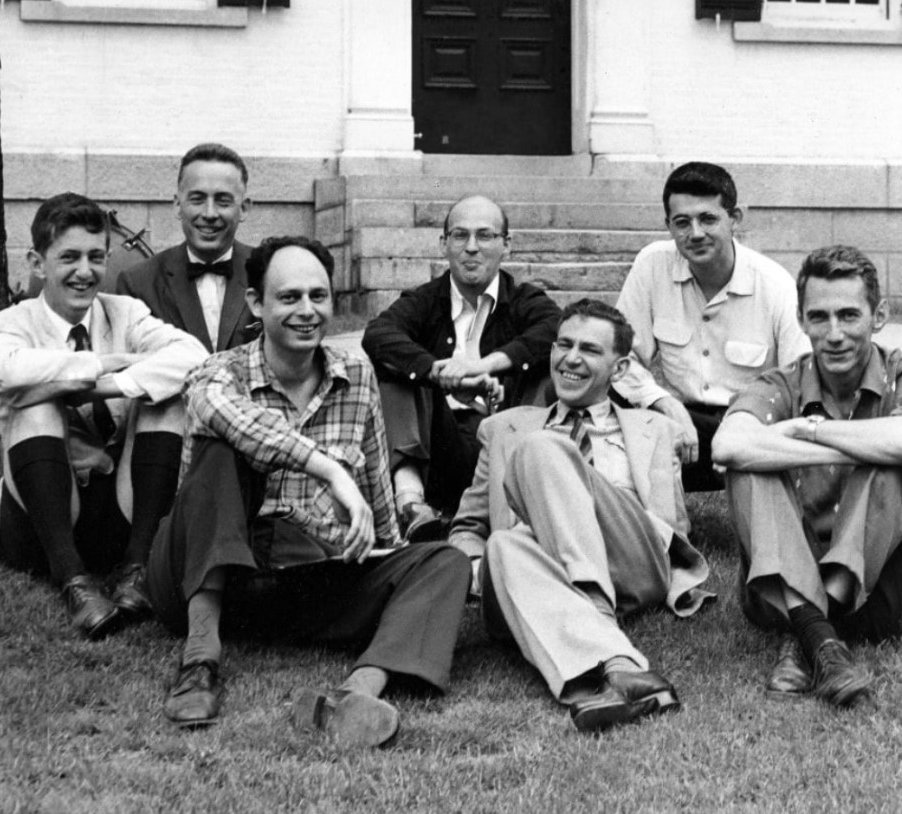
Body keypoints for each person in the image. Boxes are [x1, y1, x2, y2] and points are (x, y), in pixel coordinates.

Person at [147, 235, 471, 745]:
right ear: (256, 303)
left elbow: (374, 488)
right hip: (204, 573)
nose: (307, 311)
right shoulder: (218, 373)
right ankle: (199, 662)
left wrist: (396, 561)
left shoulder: (356, 375)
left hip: (302, 579)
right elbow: (220, 413)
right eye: (289, 297)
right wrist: (329, 470)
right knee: (220, 450)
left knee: (444, 560)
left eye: (318, 296)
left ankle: (353, 695)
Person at [449, 299, 714, 732]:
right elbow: (467, 527)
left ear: (620, 368)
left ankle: (595, 613)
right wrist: (480, 570)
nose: (570, 358)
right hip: (536, 570)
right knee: (503, 543)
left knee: (543, 449)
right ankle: (618, 668)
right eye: (563, 345)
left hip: (629, 560)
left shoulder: (655, 430)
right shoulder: (503, 428)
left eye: (589, 349)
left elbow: (671, 527)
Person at [711, 245, 902, 708]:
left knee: (890, 459)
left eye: (849, 315)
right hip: (784, 583)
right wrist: (857, 443)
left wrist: (808, 430)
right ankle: (821, 638)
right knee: (747, 467)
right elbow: (727, 446)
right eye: (819, 317)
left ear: (879, 316)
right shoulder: (781, 383)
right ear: (801, 320)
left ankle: (806, 629)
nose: (834, 334)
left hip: (893, 596)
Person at [0, 192, 208, 638]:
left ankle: (137, 568)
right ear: (37, 263)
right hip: (39, 521)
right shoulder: (8, 324)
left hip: (117, 511)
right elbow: (8, 368)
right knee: (37, 406)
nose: (84, 272)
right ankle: (73, 581)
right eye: (69, 257)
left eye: (95, 257)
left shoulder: (125, 312)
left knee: (165, 400)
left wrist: (113, 385)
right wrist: (100, 364)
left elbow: (194, 357)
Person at [362, 194, 561, 539]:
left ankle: (520, 509)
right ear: (444, 244)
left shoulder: (524, 300)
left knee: (548, 366)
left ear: (506, 244)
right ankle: (410, 505)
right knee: (396, 369)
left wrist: (482, 367)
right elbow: (379, 334)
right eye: (460, 235)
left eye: (485, 235)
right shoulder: (424, 300)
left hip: (504, 439)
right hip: (437, 443)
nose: (471, 247)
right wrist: (438, 373)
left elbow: (555, 328)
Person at [615, 162, 809, 491]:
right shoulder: (652, 265)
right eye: (682, 222)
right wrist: (664, 403)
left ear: (735, 218)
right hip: (675, 419)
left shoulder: (775, 285)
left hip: (747, 428)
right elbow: (619, 357)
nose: (695, 233)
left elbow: (803, 380)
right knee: (595, 388)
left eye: (708, 219)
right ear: (668, 225)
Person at [117, 142, 257, 353]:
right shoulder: (138, 284)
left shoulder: (268, 273)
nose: (209, 214)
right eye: (197, 200)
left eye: (223, 201)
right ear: (177, 205)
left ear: (244, 208)